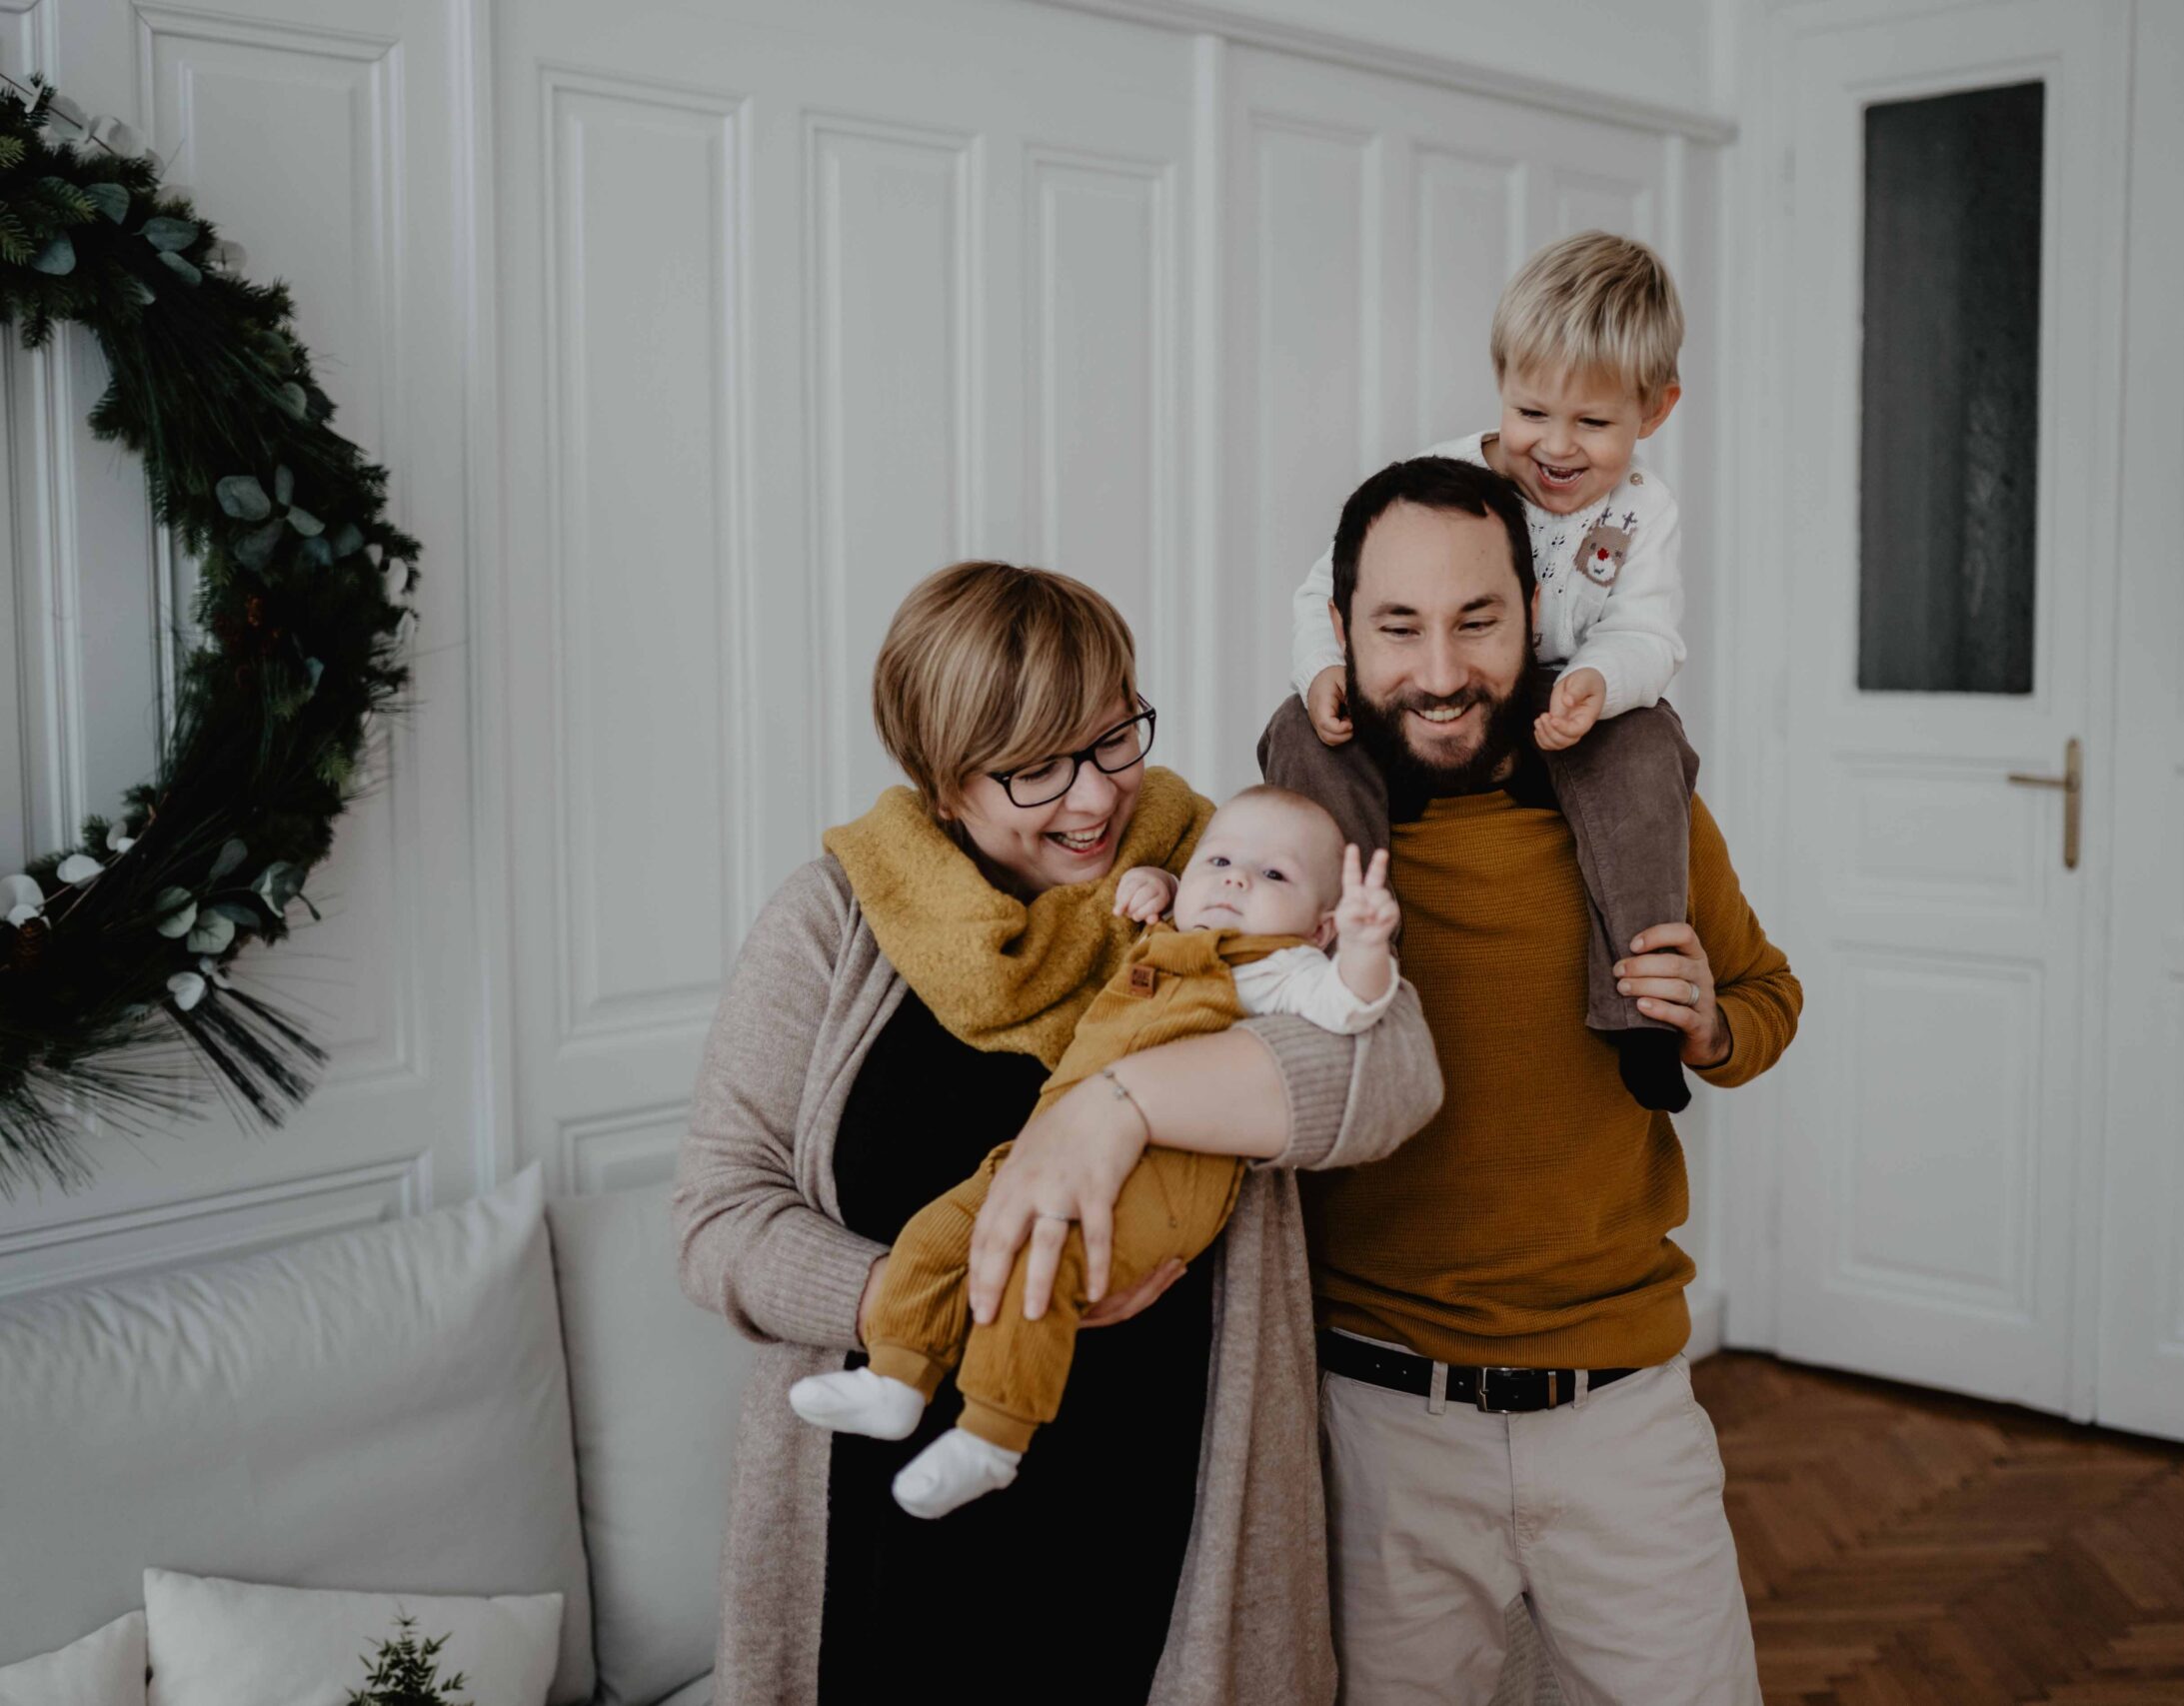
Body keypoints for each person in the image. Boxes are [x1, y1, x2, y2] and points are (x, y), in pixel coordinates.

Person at [675, 561, 1442, 1706]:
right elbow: (717, 1219)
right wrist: (924, 1298)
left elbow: (1391, 1073)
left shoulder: (1220, 870)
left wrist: (1111, 1106)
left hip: (1162, 1515)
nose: (1093, 801)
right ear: (942, 782)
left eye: (1111, 740)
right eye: (1034, 769)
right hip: (889, 1526)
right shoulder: (831, 922)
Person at [1260, 458, 1801, 1705]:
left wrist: (1714, 1026)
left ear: (1535, 617)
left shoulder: (1639, 809)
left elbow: (1769, 995)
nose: (1441, 673)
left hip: (1625, 1420)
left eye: (1478, 621)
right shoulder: (1289, 838)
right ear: (1339, 631)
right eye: (1398, 627)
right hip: (1373, 1422)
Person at [787, 786, 1402, 1522]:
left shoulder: (1282, 970)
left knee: (1043, 1261)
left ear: (1319, 924)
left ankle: (991, 1434)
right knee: (942, 1229)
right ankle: (897, 1377)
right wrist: (1170, 886)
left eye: (1274, 877)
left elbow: (1357, 1011)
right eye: (1223, 861)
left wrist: (1363, 951)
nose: (1238, 879)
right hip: (1039, 1150)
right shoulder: (1170, 930)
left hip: (1166, 1181)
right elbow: (1192, 894)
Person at [1268, 230, 1700, 1112]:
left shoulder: (1645, 514)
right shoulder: (1446, 479)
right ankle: (1337, 969)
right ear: (1501, 386)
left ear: (1655, 412)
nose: (1558, 447)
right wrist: (1323, 673)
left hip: (1557, 709)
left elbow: (1650, 632)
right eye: (1533, 412)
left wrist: (1600, 683)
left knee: (1649, 737)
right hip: (1436, 705)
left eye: (1594, 423)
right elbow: (1328, 590)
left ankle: (1640, 1004)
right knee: (1297, 728)